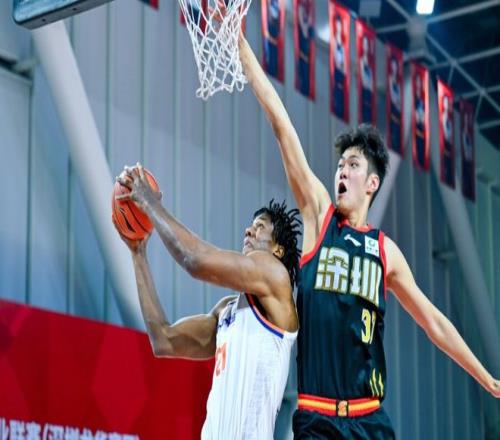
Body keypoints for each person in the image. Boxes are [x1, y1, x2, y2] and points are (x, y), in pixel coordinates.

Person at [237, 32, 500, 439]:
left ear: (372, 183)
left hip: (369, 418)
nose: (342, 170)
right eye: (340, 164)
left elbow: (433, 322)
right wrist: (239, 44)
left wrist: (487, 379)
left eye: (353, 164)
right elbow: (282, 126)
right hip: (317, 416)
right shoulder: (319, 217)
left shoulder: (384, 251)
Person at [114, 165, 301, 440]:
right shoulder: (227, 310)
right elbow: (163, 340)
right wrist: (138, 252)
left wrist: (150, 203)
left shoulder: (276, 276)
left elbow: (196, 260)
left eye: (260, 227)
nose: (249, 231)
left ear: (278, 250)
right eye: (251, 225)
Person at [296, 0, 313, 97]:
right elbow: (304, 30)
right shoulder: (301, 9)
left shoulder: (307, 11)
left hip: (306, 54)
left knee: (307, 77)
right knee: (303, 75)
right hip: (302, 53)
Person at [333, 14, 347, 119]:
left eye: (340, 26)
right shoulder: (334, 41)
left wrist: (342, 67)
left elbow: (344, 66)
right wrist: (341, 66)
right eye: (337, 25)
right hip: (337, 75)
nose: (338, 27)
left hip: (341, 76)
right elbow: (337, 63)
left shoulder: (342, 45)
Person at [263, 0, 282, 79]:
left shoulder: (277, 5)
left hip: (274, 35)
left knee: (274, 60)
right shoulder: (271, 6)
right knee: (270, 58)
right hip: (270, 33)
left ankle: (272, 72)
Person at [388, 56, 402, 154]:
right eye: (393, 66)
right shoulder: (391, 80)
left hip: (397, 113)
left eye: (396, 67)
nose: (394, 69)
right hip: (392, 112)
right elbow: (393, 97)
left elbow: (399, 101)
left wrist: (397, 102)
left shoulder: (398, 84)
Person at [359, 35, 374, 124]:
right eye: (364, 44)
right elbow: (364, 81)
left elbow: (371, 84)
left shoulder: (370, 65)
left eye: (366, 44)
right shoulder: (361, 61)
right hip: (364, 92)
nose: (365, 46)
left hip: (369, 94)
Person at [441, 94, 455, 186]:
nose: (448, 105)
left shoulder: (449, 120)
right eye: (447, 103)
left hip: (449, 144)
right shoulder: (444, 117)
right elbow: (446, 132)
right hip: (446, 143)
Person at [414, 71, 427, 169]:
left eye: (420, 84)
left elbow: (422, 118)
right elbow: (417, 118)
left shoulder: (422, 102)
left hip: (422, 132)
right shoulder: (414, 99)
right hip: (416, 131)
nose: (419, 86)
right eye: (417, 83)